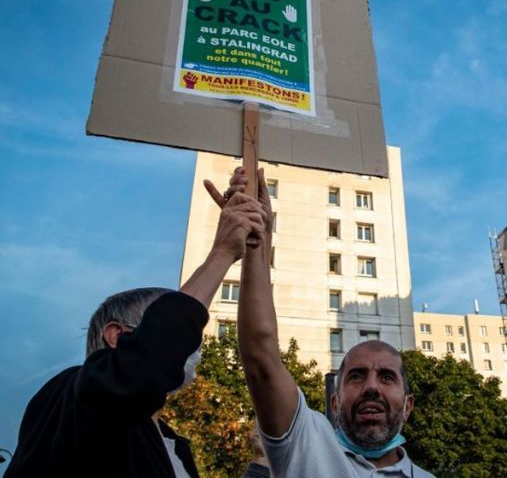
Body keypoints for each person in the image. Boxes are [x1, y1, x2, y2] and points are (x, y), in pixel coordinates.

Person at [4, 186, 266, 478]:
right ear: (117, 336)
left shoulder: (170, 444)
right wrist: (223, 252)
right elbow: (136, 375)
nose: (190, 342)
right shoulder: (72, 397)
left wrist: (260, 467)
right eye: (167, 323)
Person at [216, 167, 434, 478]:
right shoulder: (306, 444)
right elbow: (262, 357)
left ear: (408, 405)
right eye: (356, 376)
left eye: (386, 377)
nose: (371, 387)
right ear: (334, 402)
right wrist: (257, 241)